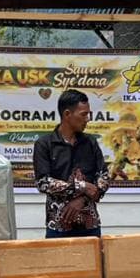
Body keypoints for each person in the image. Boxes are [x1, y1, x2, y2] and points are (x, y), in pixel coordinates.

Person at [33, 89, 110, 238]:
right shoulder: (45, 144)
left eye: (88, 114)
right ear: (67, 114)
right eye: (83, 114)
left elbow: (104, 178)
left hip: (90, 226)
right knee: (58, 262)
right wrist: (82, 186)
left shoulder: (90, 143)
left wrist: (82, 199)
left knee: (93, 261)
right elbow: (43, 182)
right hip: (58, 225)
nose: (87, 119)